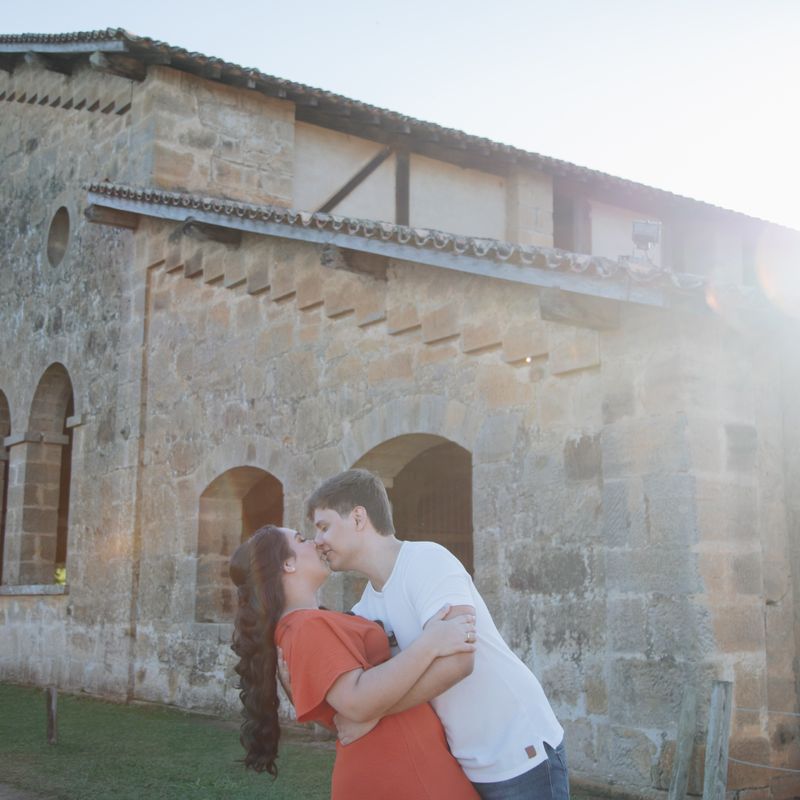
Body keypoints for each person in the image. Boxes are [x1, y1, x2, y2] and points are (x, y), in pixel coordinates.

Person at [307, 469, 569, 800]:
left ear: (358, 518)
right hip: (464, 762)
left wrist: (372, 713)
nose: (318, 541)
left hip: (518, 751)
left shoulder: (426, 561)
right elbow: (357, 691)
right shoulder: (366, 609)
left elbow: (459, 662)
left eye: (324, 527)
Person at [229, 524, 480, 800]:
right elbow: (356, 703)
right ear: (288, 564)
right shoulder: (304, 628)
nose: (314, 542)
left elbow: (343, 715)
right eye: (302, 539)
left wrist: (362, 715)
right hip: (399, 769)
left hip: (403, 762)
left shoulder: (302, 627)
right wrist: (431, 642)